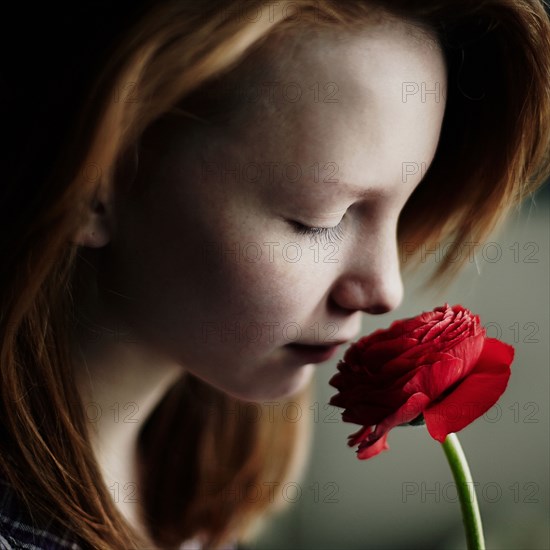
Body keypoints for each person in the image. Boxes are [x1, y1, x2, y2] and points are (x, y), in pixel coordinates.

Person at [1, 1, 548, 548]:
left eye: (404, 207)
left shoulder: (195, 501)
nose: (387, 289)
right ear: (97, 183)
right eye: (318, 220)